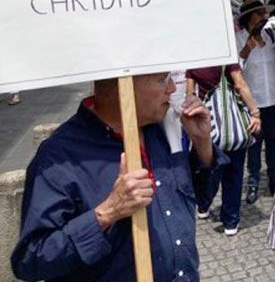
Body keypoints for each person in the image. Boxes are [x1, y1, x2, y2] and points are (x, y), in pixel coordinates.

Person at [11, 73, 223, 280]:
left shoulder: (163, 129)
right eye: (162, 80)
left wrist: (202, 143)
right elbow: (30, 261)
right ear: (124, 86)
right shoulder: (59, 157)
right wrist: (107, 213)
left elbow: (200, 200)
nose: (172, 88)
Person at [186, 63, 261, 236]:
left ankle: (203, 205)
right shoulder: (226, 58)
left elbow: (189, 95)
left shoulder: (194, 61)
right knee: (234, 173)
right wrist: (255, 113)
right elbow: (239, 84)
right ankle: (230, 221)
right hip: (233, 128)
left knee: (209, 169)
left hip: (209, 126)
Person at [238, 0, 275, 205]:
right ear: (249, 19)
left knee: (272, 141)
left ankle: (274, 179)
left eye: (263, 13)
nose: (264, 17)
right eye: (259, 14)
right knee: (254, 143)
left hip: (273, 98)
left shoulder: (270, 37)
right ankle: (252, 183)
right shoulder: (238, 38)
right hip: (253, 100)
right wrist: (246, 51)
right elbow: (233, 70)